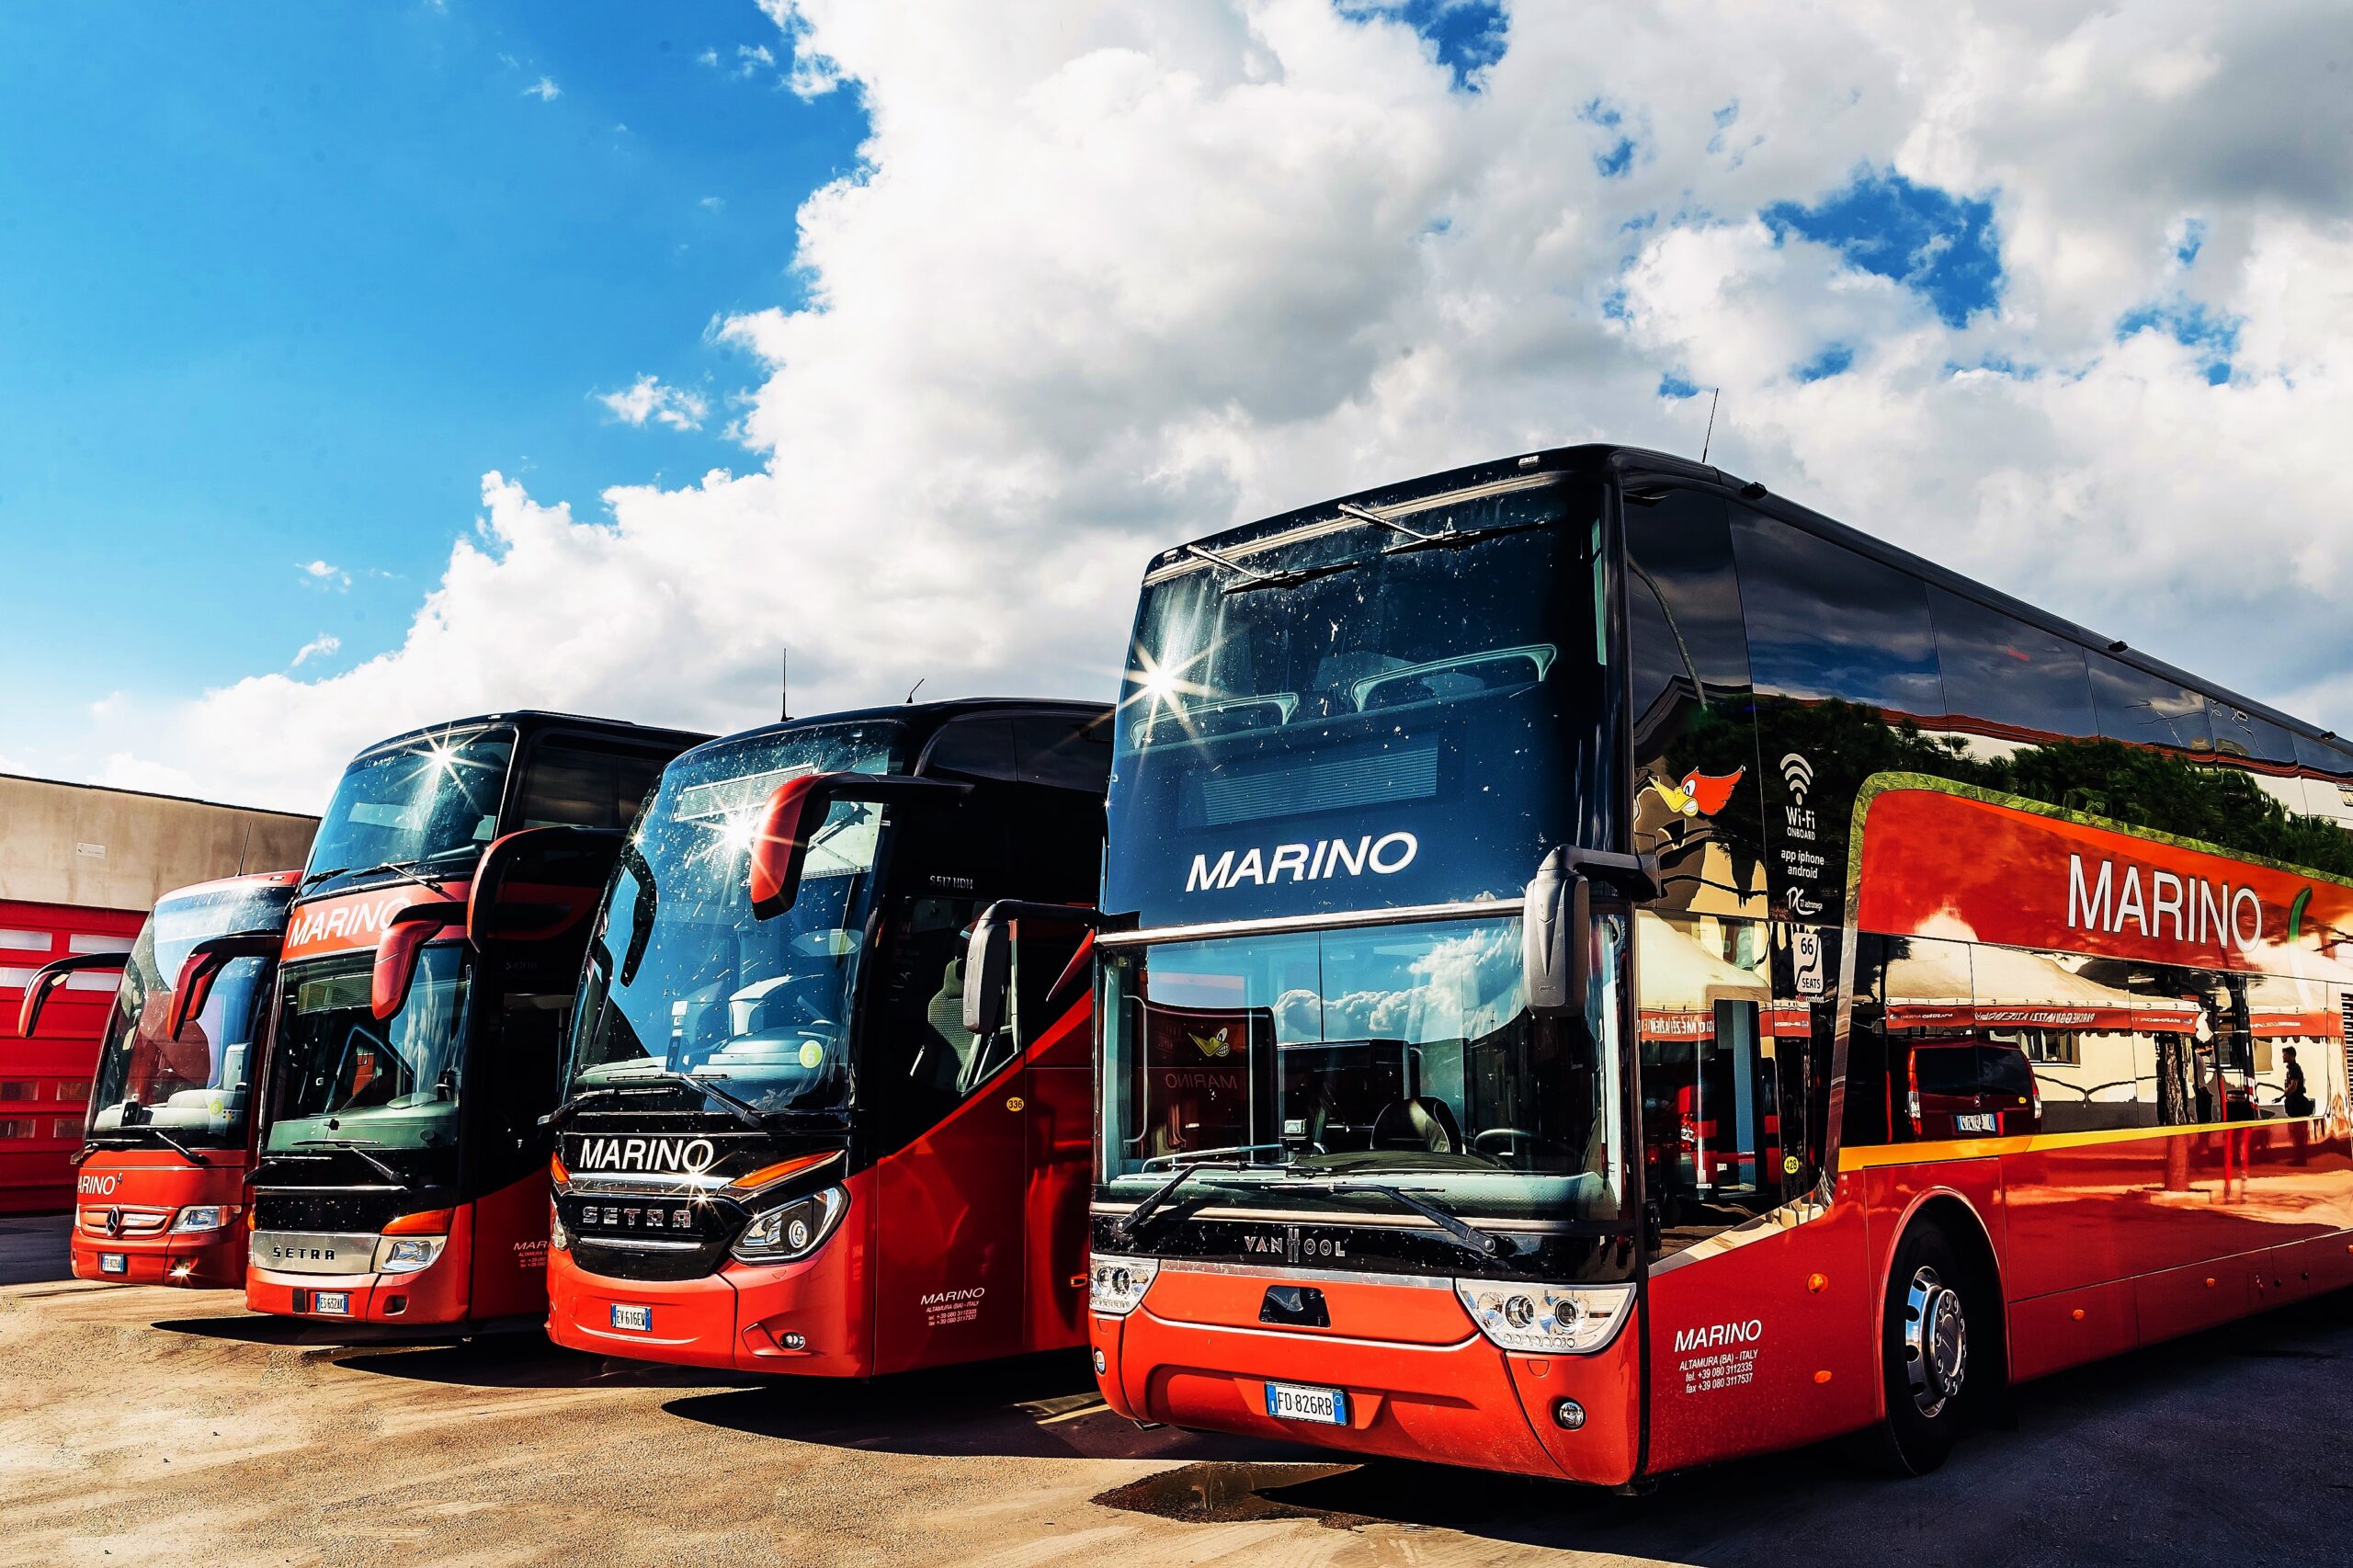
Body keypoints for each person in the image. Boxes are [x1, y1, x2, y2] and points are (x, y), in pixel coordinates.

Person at [2281, 1045, 2313, 1118]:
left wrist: (2285, 1094)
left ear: (2292, 1056)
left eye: (2285, 1054)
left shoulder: (2294, 1069)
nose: (2283, 1056)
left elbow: (2293, 1086)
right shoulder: (2291, 1069)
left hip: (2297, 1103)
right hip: (2294, 1102)